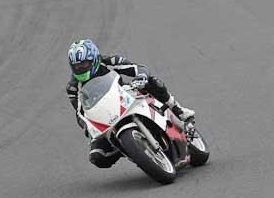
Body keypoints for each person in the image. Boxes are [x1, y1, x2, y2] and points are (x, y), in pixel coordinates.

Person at [66, 38, 195, 168]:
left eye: (84, 64)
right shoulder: (73, 88)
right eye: (77, 66)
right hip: (103, 117)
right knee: (97, 157)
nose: (81, 68)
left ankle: (179, 110)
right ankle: (127, 147)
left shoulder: (109, 61)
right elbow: (80, 113)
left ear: (94, 58)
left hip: (124, 96)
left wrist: (141, 77)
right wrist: (87, 127)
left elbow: (138, 68)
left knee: (152, 82)